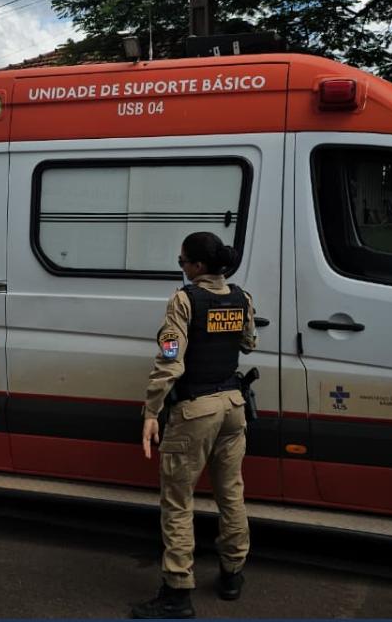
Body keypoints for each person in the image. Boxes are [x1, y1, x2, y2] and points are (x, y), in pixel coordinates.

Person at [130, 231, 258, 620]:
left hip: (196, 411)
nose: (182, 267)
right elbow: (249, 343)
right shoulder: (241, 297)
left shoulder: (184, 300)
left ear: (198, 266)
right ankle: (232, 574)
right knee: (231, 494)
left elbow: (170, 360)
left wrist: (151, 412)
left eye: (182, 261)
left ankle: (176, 593)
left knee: (177, 501)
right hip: (233, 406)